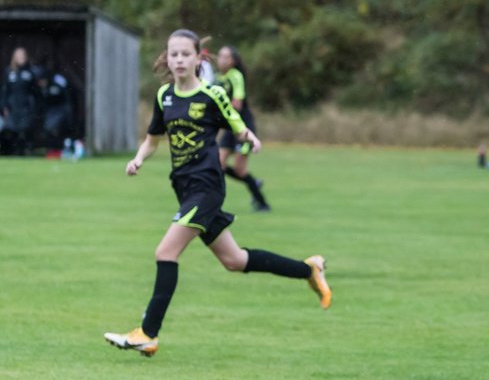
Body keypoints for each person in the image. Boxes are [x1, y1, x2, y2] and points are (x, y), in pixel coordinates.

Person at [104, 29, 331, 358]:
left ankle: (147, 333)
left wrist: (249, 138)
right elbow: (153, 139)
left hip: (207, 187)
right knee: (234, 260)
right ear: (167, 58)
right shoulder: (164, 96)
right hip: (183, 188)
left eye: (185, 53)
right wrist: (138, 159)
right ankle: (308, 269)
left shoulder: (212, 95)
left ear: (199, 58)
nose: (179, 59)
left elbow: (237, 124)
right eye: (173, 54)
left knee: (165, 252)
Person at [214, 45, 271, 211]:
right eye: (220, 56)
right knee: (218, 164)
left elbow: (237, 105)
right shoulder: (217, 78)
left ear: (234, 61)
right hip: (228, 126)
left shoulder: (235, 76)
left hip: (242, 126)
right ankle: (253, 182)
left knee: (239, 170)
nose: (222, 60)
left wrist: (218, 112)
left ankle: (262, 203)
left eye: (226, 57)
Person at [1, 47, 41, 156]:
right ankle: (12, 153)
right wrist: (4, 106)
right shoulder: (9, 72)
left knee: (25, 131)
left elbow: (36, 93)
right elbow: (5, 91)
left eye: (23, 55)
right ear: (14, 57)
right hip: (13, 107)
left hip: (26, 107)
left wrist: (35, 108)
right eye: (19, 56)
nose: (21, 58)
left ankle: (25, 152)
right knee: (11, 132)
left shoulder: (31, 72)